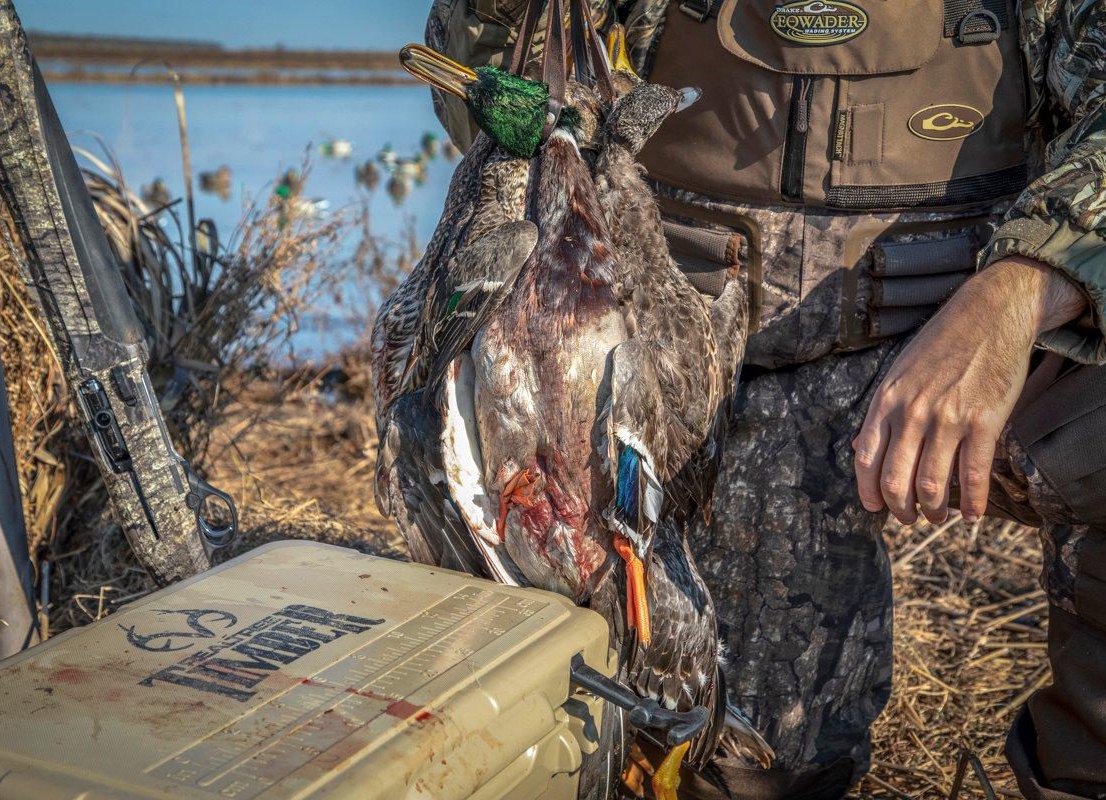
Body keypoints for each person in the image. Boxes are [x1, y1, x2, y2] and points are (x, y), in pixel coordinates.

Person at [423, 1, 1106, 798]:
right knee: (738, 762)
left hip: (987, 334)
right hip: (707, 375)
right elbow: (493, 92)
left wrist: (1020, 292)